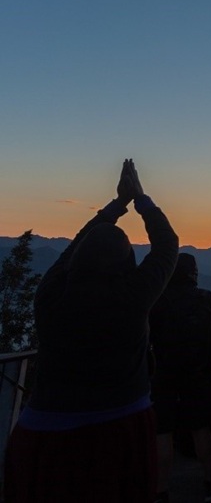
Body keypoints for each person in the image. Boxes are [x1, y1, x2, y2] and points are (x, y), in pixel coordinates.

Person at [4, 159, 178, 503]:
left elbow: (72, 249)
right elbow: (167, 245)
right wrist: (140, 199)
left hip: (44, 432)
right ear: (126, 263)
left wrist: (116, 206)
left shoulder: (50, 295)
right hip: (121, 427)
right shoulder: (132, 296)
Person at [149, 252, 211, 503]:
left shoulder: (157, 301)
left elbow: (147, 341)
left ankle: (160, 490)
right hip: (199, 374)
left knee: (163, 431)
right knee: (201, 428)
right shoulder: (209, 299)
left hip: (164, 374)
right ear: (194, 273)